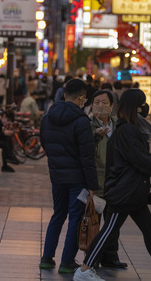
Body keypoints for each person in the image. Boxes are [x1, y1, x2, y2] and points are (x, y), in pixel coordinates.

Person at [74, 89, 151, 281]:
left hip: (133, 190)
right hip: (124, 192)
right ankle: (84, 270)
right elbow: (143, 159)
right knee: (109, 231)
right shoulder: (127, 130)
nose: (144, 107)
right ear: (134, 106)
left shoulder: (128, 128)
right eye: (141, 104)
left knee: (149, 228)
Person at [39, 79, 98, 274]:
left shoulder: (47, 117)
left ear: (64, 95)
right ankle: (66, 262)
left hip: (56, 175)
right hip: (77, 178)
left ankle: (47, 258)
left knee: (58, 214)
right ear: (81, 98)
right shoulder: (82, 121)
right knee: (75, 218)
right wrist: (93, 185)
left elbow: (45, 144)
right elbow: (87, 156)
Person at [89, 90, 126, 269]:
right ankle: (92, 258)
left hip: (115, 181)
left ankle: (111, 257)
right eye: (96, 102)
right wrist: (95, 135)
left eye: (104, 102)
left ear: (112, 107)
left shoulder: (119, 125)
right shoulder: (86, 125)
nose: (100, 106)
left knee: (113, 224)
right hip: (95, 182)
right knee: (93, 222)